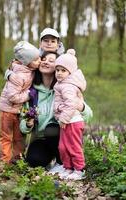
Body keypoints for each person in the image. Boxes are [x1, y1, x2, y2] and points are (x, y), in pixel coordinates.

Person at [18, 51, 92, 175]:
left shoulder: (66, 88)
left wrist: (81, 106)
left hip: (61, 133)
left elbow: (88, 116)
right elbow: (22, 124)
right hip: (41, 138)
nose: (46, 62)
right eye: (43, 59)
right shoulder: (31, 92)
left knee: (51, 128)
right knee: (34, 159)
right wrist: (28, 124)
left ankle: (63, 163)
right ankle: (53, 161)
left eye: (51, 61)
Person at [0, 41, 41, 163]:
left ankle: (18, 159)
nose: (40, 61)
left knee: (19, 136)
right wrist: (28, 94)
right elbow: (13, 97)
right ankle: (5, 161)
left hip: (19, 111)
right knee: (6, 136)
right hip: (7, 110)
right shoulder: (18, 76)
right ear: (27, 62)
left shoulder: (29, 69)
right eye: (36, 59)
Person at [53, 49, 87, 180]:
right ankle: (68, 167)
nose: (59, 73)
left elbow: (71, 104)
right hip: (66, 121)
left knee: (73, 146)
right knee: (63, 147)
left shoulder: (68, 86)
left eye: (63, 70)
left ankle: (79, 169)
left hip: (72, 121)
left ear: (70, 72)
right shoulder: (61, 84)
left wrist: (63, 118)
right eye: (57, 70)